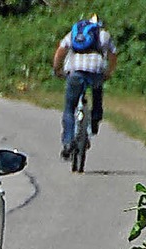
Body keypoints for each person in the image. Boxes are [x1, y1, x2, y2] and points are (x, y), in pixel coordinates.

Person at [53, 13, 117, 160]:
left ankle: (68, 142)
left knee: (69, 108)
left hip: (75, 72)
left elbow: (61, 51)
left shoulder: (74, 33)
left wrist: (57, 69)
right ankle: (94, 121)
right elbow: (113, 55)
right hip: (96, 71)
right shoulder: (104, 35)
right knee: (97, 95)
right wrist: (108, 72)